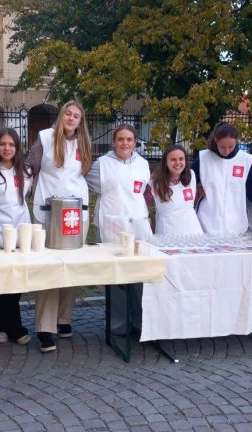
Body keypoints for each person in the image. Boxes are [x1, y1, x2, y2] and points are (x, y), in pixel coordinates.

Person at [26, 101, 92, 353]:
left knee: (71, 268)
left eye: (77, 116)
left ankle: (64, 319)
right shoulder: (45, 137)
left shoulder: (84, 143)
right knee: (48, 269)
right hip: (49, 212)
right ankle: (45, 327)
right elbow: (30, 167)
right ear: (62, 114)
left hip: (76, 213)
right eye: (68, 113)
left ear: (80, 121)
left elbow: (85, 174)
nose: (72, 118)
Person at [86, 125, 151, 335]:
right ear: (114, 141)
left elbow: (144, 191)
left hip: (138, 225)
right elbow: (88, 184)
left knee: (140, 277)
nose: (125, 143)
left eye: (129, 139)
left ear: (135, 142)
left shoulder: (143, 164)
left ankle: (141, 323)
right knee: (116, 277)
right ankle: (118, 326)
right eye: (121, 139)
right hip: (112, 225)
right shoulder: (102, 164)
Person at [192, 122, 252, 235]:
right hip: (206, 222)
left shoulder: (245, 160)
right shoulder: (204, 158)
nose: (226, 151)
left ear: (236, 141)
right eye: (222, 147)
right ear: (216, 141)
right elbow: (187, 182)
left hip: (235, 225)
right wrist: (196, 190)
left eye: (230, 147)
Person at [0, 128, 32, 346]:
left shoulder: (26, 171)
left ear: (17, 148)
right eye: (3, 144)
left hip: (21, 230)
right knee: (1, 279)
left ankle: (2, 328)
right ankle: (15, 327)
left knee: (17, 278)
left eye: (11, 145)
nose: (7, 149)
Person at [144, 144, 202, 235]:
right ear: (166, 163)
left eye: (181, 159)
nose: (178, 163)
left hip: (193, 233)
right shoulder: (155, 182)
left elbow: (191, 201)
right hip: (168, 234)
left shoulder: (191, 175)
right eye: (173, 160)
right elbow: (141, 204)